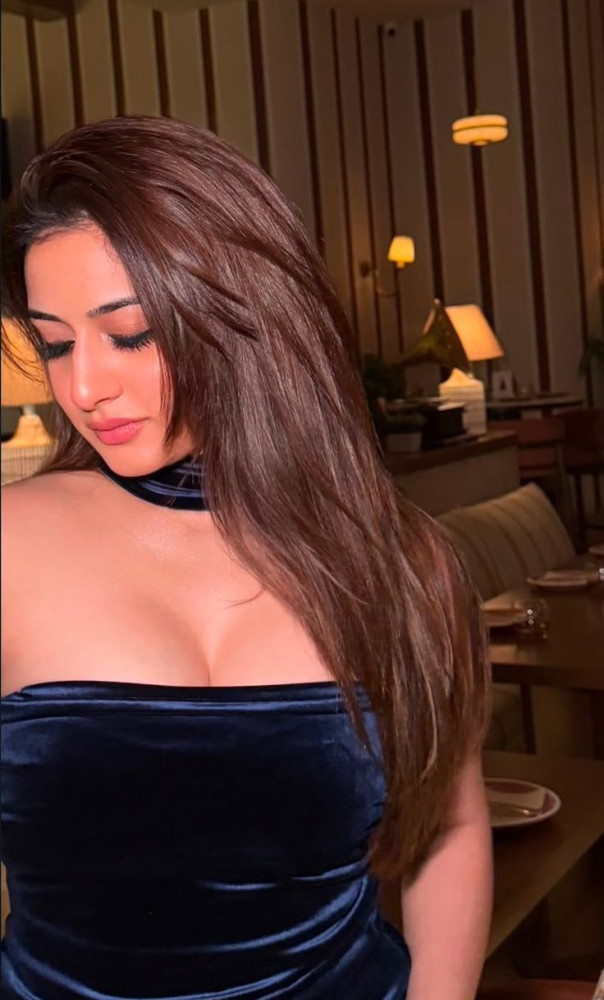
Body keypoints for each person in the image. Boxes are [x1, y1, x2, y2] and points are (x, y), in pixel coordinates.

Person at [1, 116, 492, 1000]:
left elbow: (447, 827)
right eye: (58, 343)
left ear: (247, 313)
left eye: (130, 333)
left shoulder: (400, 561)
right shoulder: (11, 544)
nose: (84, 387)